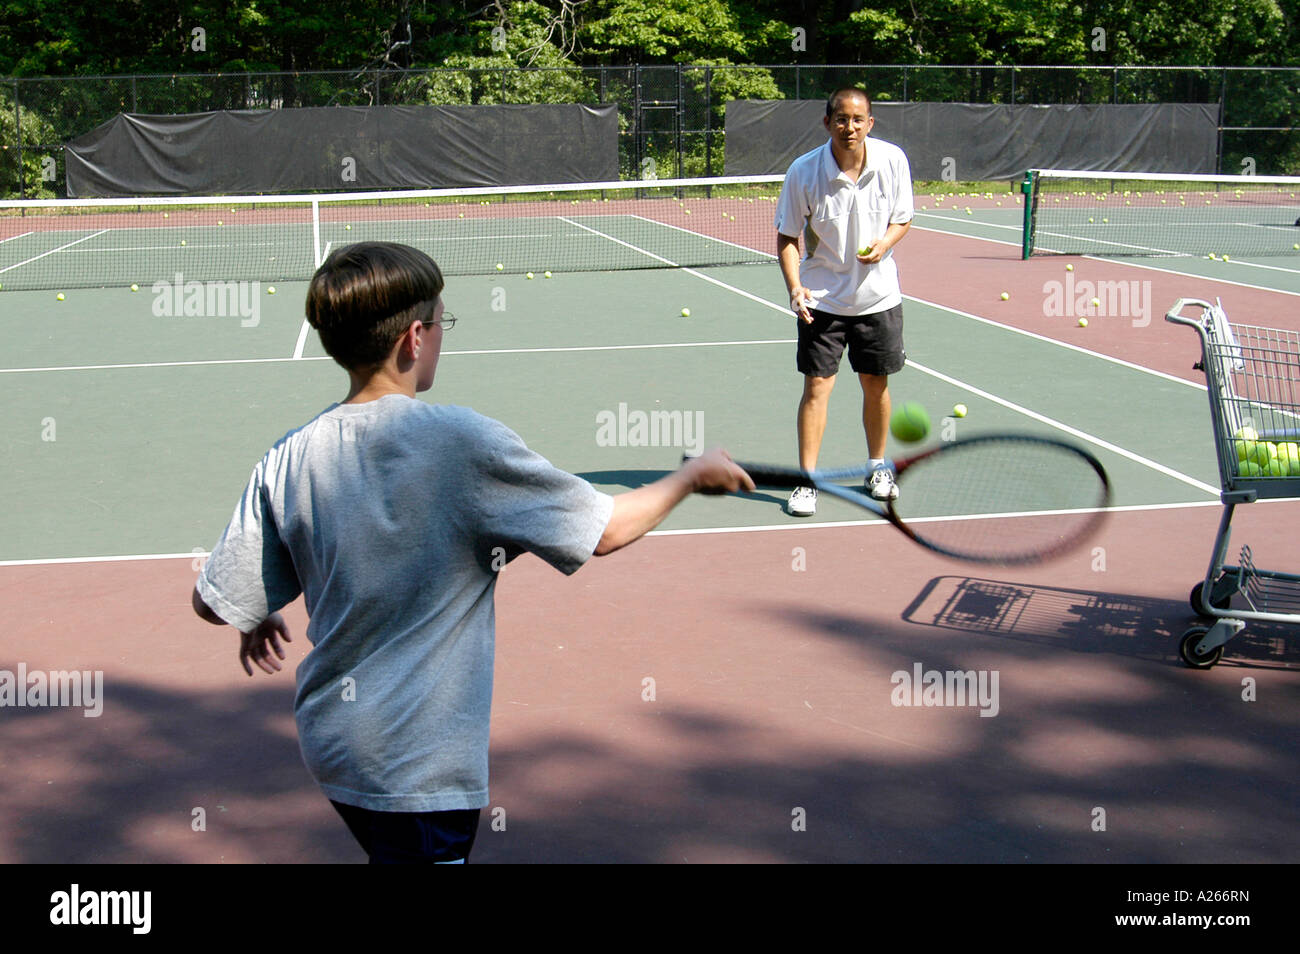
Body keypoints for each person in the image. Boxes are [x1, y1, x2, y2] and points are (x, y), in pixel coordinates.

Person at [190, 242, 752, 863]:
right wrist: (690, 478)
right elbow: (605, 531)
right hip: (417, 762)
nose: (440, 336)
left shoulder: (289, 455)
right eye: (440, 322)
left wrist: (255, 610)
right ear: (413, 338)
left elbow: (215, 601)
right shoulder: (460, 442)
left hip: (333, 741)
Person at [774, 86, 914, 516]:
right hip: (822, 301)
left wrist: (884, 244)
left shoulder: (893, 161)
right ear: (827, 122)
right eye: (841, 118)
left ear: (870, 123)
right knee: (816, 388)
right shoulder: (804, 171)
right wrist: (795, 287)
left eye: (858, 119)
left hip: (878, 298)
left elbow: (902, 218)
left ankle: (877, 468)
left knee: (876, 385)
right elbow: (787, 237)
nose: (849, 127)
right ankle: (807, 480)